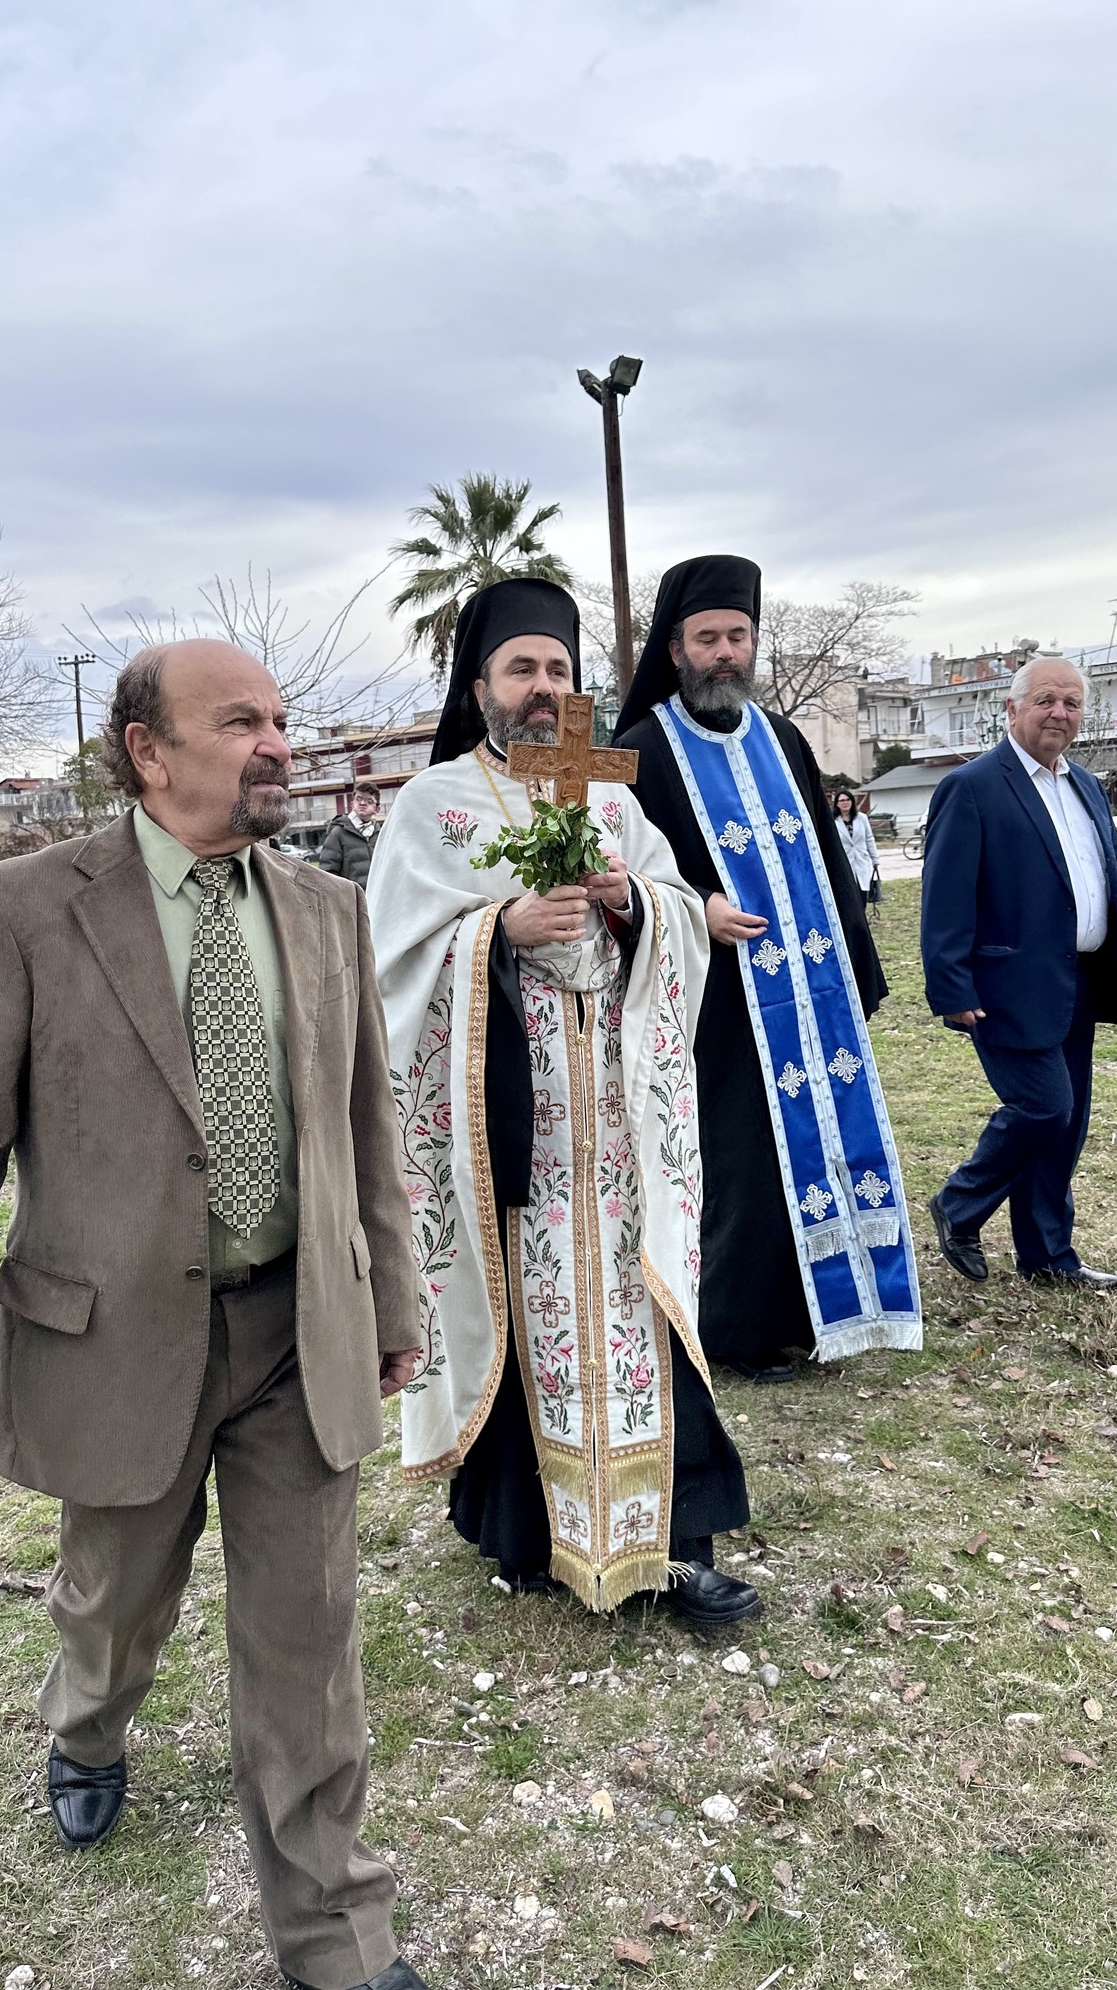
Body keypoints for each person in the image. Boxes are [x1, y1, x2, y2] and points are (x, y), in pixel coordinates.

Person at [0, 642, 432, 1990]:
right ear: (148, 749)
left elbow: (365, 1125)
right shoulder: (22, 908)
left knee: (308, 1643)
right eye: (241, 721)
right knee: (116, 1602)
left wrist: (391, 1292)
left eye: (282, 719)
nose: (277, 743)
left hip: (296, 1334)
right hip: (114, 1342)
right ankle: (87, 1723)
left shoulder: (325, 908)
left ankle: (336, 1936)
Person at [368, 577, 760, 1629]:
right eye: (522, 669)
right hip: (511, 1131)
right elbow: (388, 963)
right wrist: (496, 929)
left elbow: (674, 910)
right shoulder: (434, 806)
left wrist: (637, 904)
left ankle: (676, 1546)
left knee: (643, 1310)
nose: (543, 688)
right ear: (480, 686)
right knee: (524, 1316)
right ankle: (533, 1538)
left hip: (624, 1130)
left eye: (558, 669)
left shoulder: (614, 797)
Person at [613, 556, 919, 1384]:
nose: (724, 653)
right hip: (715, 994)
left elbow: (827, 858)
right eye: (707, 638)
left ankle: (824, 1308)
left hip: (809, 996)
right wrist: (696, 908)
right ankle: (738, 1329)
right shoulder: (641, 751)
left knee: (823, 1141)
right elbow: (621, 872)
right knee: (743, 1155)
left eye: (737, 636)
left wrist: (857, 970)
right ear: (675, 650)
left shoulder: (783, 740)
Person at [921, 658, 1117, 1292]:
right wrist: (950, 986)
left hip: (1079, 982)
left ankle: (1047, 1257)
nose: (1059, 713)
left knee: (1068, 1124)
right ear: (1012, 709)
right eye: (1045, 701)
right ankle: (958, 1204)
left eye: (1071, 703)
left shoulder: (1086, 785)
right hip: (1006, 986)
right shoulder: (972, 787)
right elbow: (945, 896)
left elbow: (1114, 884)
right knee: (1043, 1109)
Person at [320, 781, 383, 886]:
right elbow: (327, 873)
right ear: (352, 804)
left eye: (369, 801)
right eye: (358, 799)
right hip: (350, 895)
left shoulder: (380, 835)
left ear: (377, 809)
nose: (362, 803)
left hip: (376, 894)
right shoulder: (338, 833)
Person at [833, 789, 879, 908]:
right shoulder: (833, 821)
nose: (845, 803)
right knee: (848, 897)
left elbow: (869, 839)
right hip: (844, 864)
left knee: (862, 894)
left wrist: (875, 859)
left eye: (848, 799)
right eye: (842, 800)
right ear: (837, 803)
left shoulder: (862, 818)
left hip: (861, 861)